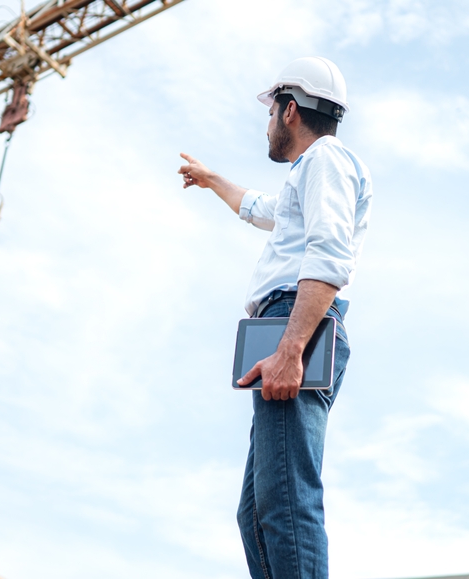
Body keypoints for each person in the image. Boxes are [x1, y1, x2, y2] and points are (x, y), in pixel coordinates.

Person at [178, 56, 373, 579]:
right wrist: (212, 179)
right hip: (289, 325)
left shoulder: (324, 161)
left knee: (287, 501)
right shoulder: (308, 176)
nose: (267, 124)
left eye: (271, 112)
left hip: (298, 325)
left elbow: (330, 255)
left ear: (290, 110)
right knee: (258, 510)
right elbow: (264, 209)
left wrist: (290, 350)